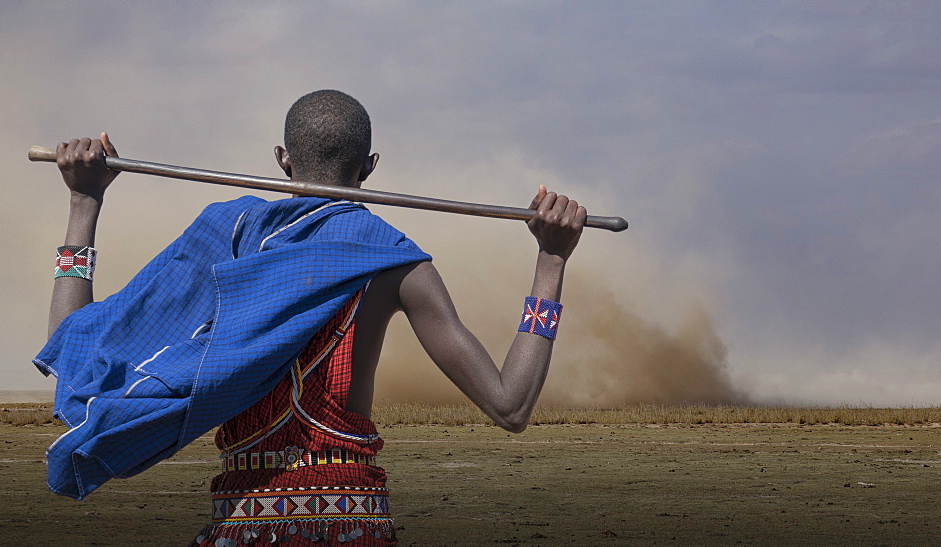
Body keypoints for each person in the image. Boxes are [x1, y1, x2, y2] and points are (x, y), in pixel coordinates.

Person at [38, 90, 586, 545]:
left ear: (282, 158)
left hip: (244, 527)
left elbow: (75, 354)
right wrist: (551, 262)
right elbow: (510, 405)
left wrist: (84, 203)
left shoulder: (229, 238)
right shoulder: (395, 262)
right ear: (369, 167)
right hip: (355, 524)